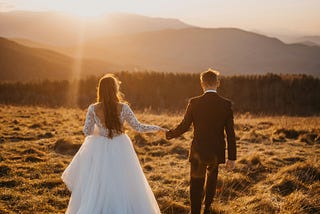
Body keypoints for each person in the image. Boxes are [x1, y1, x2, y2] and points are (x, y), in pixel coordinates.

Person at [61, 74, 165, 214]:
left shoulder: (93, 108)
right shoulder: (123, 108)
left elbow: (87, 131)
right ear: (115, 89)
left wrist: (101, 131)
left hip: (99, 147)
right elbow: (138, 127)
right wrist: (157, 129)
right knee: (123, 179)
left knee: (98, 180)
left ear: (100, 90)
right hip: (121, 146)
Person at [166, 69, 237, 214]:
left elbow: (184, 126)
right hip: (216, 152)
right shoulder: (226, 104)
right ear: (217, 83)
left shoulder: (194, 102)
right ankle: (208, 209)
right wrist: (232, 158)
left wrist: (168, 134)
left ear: (202, 84)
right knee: (211, 182)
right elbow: (230, 133)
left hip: (198, 151)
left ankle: (195, 212)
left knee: (196, 184)